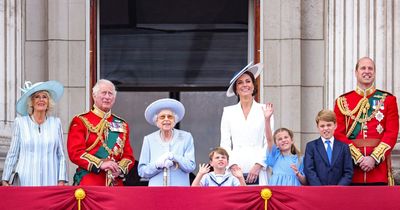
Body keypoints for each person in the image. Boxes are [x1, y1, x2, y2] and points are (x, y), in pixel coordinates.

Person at [334, 57, 399, 185]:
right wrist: (358, 158)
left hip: (378, 171)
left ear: (374, 73)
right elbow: (338, 133)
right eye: (363, 68)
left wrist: (374, 158)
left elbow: (391, 133)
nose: (367, 71)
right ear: (356, 72)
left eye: (370, 68)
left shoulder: (388, 100)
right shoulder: (342, 101)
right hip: (351, 171)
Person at [67, 79, 135, 186]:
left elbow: (129, 156)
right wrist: (100, 164)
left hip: (115, 183)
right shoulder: (81, 121)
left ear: (114, 98)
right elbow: (75, 152)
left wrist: (120, 169)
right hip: (90, 182)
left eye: (110, 94)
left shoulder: (122, 124)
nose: (107, 97)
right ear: (94, 96)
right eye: (103, 93)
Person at [2, 81, 68, 186]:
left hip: (50, 179)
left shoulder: (56, 123)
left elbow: (61, 154)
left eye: (44, 97)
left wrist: (61, 180)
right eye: (37, 97)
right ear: (31, 102)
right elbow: (13, 153)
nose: (41, 100)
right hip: (26, 180)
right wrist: (5, 179)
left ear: (49, 102)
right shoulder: (20, 123)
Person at [220, 62, 273, 185]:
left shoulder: (265, 109)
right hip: (235, 167)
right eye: (240, 82)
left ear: (254, 86)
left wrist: (259, 164)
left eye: (248, 81)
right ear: (236, 90)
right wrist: (232, 164)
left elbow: (268, 141)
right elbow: (225, 142)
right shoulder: (228, 112)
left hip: (258, 167)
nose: (245, 85)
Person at [138, 98, 195, 186]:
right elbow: (142, 171)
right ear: (156, 120)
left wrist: (174, 157)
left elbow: (190, 166)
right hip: (156, 192)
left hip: (180, 191)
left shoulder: (186, 137)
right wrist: (157, 165)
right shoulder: (149, 139)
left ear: (174, 120)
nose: (166, 119)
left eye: (170, 116)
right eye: (162, 117)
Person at [304, 109, 353, 186]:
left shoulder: (343, 147)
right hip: (318, 191)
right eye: (322, 126)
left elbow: (348, 172)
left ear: (335, 125)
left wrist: (338, 188)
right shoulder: (311, 147)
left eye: (329, 125)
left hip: (339, 192)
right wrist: (320, 189)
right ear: (317, 127)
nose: (326, 128)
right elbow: (309, 170)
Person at [264, 103, 307, 186]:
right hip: (277, 192)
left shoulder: (300, 159)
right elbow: (269, 139)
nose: (283, 140)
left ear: (292, 140)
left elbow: (305, 182)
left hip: (293, 192)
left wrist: (298, 174)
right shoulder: (275, 156)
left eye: (286, 137)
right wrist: (267, 119)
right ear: (276, 144)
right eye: (280, 139)